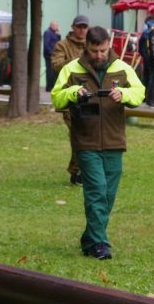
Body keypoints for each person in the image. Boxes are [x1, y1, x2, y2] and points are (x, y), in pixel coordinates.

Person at [51, 26, 145, 260]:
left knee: (108, 196)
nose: (99, 55)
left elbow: (139, 93)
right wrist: (74, 92)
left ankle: (89, 238)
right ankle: (99, 244)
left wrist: (124, 95)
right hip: (86, 141)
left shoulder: (122, 68)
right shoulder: (71, 69)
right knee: (96, 192)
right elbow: (56, 97)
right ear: (87, 48)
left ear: (108, 46)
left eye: (103, 50)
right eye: (94, 51)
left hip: (115, 141)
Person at [51, 15, 90, 185]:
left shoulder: (93, 45)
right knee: (77, 135)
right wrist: (76, 60)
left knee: (88, 135)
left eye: (84, 27)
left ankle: (82, 170)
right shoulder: (62, 45)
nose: (82, 30)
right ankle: (77, 172)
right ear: (73, 27)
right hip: (69, 99)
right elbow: (56, 66)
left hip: (89, 98)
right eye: (79, 27)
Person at [137, 15, 154, 89]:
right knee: (151, 76)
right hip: (151, 58)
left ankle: (144, 93)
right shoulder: (153, 33)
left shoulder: (144, 33)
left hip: (145, 58)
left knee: (145, 76)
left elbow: (140, 47)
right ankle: (149, 94)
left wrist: (143, 55)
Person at [43, 20, 62, 91]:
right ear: (52, 25)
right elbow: (46, 45)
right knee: (50, 72)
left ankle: (52, 86)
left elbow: (58, 43)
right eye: (56, 26)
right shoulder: (47, 32)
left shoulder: (54, 33)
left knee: (54, 71)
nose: (57, 27)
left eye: (57, 26)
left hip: (54, 55)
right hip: (49, 56)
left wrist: (58, 34)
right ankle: (49, 87)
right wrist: (52, 53)